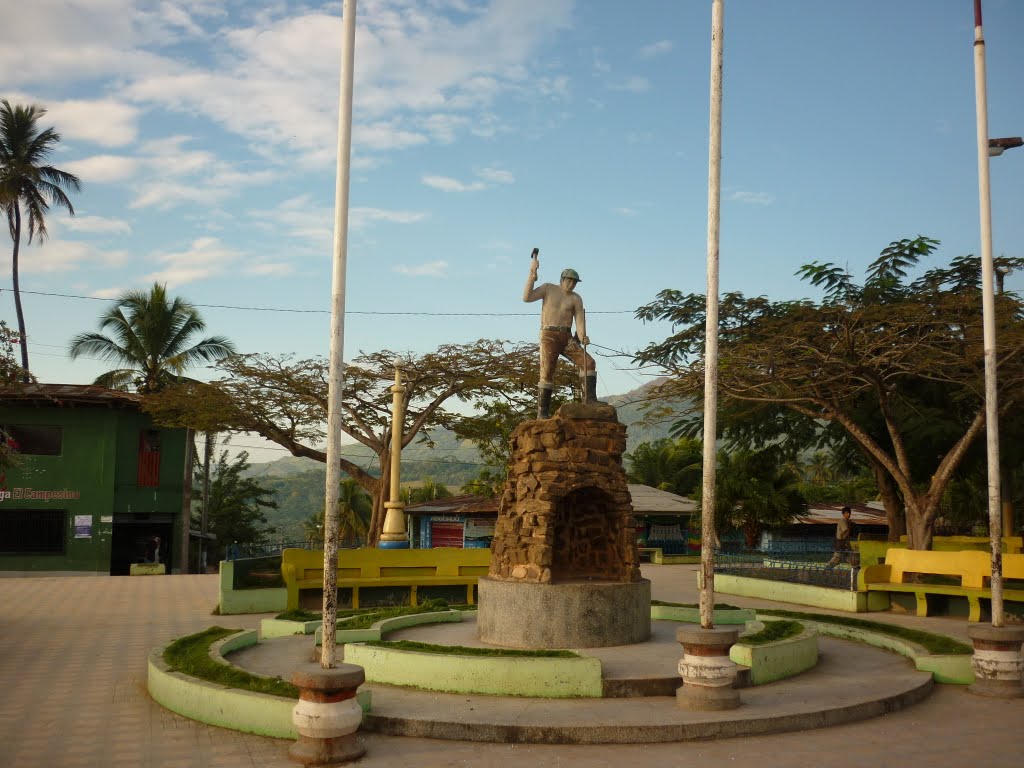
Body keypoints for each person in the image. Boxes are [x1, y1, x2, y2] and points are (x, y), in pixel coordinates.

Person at [523, 252, 597, 418]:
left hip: (566, 337)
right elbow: (526, 297)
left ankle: (590, 400)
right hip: (549, 334)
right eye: (569, 280)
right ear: (562, 279)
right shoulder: (549, 288)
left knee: (589, 362)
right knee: (547, 371)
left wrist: (583, 335)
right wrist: (531, 274)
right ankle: (542, 413)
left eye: (574, 282)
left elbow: (579, 320)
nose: (571, 284)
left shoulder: (576, 299)